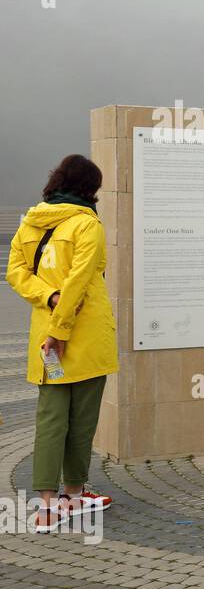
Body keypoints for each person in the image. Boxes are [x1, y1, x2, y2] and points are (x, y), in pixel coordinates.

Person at [8, 153, 121, 528]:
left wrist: (47, 299)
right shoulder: (87, 225)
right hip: (84, 336)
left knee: (51, 418)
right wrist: (62, 324)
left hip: (45, 336)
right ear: (89, 189)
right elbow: (78, 282)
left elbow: (16, 273)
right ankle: (73, 495)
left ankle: (46, 505)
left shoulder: (30, 222)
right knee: (83, 418)